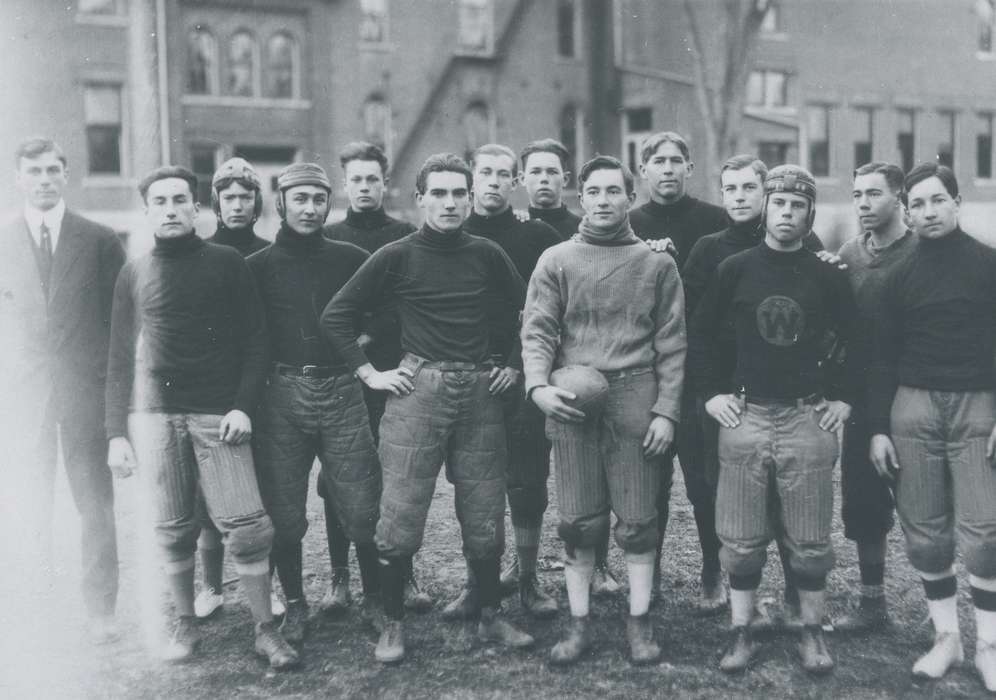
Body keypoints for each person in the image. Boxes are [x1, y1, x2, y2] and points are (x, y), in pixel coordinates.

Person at [322, 153, 533, 664]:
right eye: (438, 193)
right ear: (420, 199)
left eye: (459, 193)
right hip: (418, 390)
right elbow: (337, 316)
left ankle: (488, 615)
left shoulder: (486, 253)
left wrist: (515, 364)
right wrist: (370, 372)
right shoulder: (397, 254)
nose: (450, 202)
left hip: (481, 390)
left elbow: (532, 311)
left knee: (484, 512)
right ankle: (392, 624)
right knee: (400, 514)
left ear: (469, 197)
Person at [105, 166, 297, 669]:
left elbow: (257, 340)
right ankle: (186, 622)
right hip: (155, 420)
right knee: (171, 527)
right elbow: (119, 358)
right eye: (160, 201)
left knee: (248, 527)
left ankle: (265, 630)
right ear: (147, 211)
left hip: (218, 414)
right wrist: (115, 434)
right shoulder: (134, 272)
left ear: (197, 208)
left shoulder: (227, 262)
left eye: (180, 200)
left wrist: (242, 405)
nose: (170, 209)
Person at [690, 165, 858, 675]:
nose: (787, 214)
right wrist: (711, 395)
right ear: (766, 207)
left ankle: (810, 634)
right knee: (740, 543)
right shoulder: (734, 268)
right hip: (747, 416)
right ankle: (742, 632)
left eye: (798, 206)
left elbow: (855, 340)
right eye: (780, 204)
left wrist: (843, 399)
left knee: (809, 543)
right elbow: (700, 339)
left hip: (807, 417)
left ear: (810, 215)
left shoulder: (828, 273)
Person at [522, 155, 686, 666]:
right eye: (592, 191)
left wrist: (666, 410)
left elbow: (673, 344)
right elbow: (537, 330)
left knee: (638, 519)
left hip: (635, 393)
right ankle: (579, 623)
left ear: (630, 197)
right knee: (577, 521)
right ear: (580, 197)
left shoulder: (657, 263)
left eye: (613, 191)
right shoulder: (555, 259)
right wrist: (537, 387)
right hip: (573, 394)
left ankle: (640, 623)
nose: (602, 200)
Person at [244, 162, 383, 648]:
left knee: (362, 506)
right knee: (284, 511)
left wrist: (359, 343)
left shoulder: (350, 257)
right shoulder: (258, 266)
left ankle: (375, 601)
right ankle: (297, 606)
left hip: (343, 390)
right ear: (281, 203)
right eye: (299, 199)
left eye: (318, 199)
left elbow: (381, 312)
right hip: (282, 395)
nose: (309, 208)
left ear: (330, 203)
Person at [869, 162, 996, 691]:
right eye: (917, 204)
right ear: (907, 211)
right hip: (913, 407)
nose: (927, 212)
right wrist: (878, 427)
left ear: (957, 202)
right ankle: (947, 637)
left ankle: (989, 644)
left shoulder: (989, 265)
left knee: (986, 535)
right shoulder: (896, 275)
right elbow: (879, 357)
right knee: (925, 534)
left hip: (977, 406)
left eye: (937, 200)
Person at [682, 154, 824, 622]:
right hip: (723, 389)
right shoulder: (708, 250)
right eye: (731, 188)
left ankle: (791, 590)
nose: (740, 197)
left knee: (785, 493)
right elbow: (695, 324)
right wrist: (709, 390)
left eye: (749, 188)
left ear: (768, 195)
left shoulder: (805, 246)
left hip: (777, 388)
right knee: (714, 485)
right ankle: (714, 570)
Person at [0, 137, 124, 643]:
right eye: (35, 171)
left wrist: (109, 392)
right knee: (30, 503)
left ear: (66, 175)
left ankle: (100, 611)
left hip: (83, 394)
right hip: (23, 398)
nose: (45, 179)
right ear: (18, 178)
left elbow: (120, 325)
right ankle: (36, 608)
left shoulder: (98, 239)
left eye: (53, 169)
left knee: (93, 502)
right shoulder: (4, 240)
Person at [441, 143, 562, 621]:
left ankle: (529, 578)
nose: (493, 181)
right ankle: (477, 582)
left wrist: (518, 364)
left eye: (503, 174)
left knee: (528, 482)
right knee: (471, 483)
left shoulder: (538, 236)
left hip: (524, 373)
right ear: (472, 178)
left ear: (516, 182)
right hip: (467, 377)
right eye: (485, 172)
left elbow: (546, 311)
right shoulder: (451, 232)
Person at [321, 142, 430, 614]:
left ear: (385, 183)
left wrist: (374, 335)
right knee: (335, 477)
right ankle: (340, 576)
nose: (364, 187)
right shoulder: (327, 236)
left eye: (372, 179)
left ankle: (402, 574)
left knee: (394, 475)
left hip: (392, 372)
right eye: (356, 180)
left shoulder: (405, 234)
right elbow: (324, 308)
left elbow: (409, 302)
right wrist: (351, 345)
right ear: (345, 184)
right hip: (341, 373)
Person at [629, 131, 728, 601]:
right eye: (657, 160)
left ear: (690, 167)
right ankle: (651, 577)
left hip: (699, 372)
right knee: (649, 483)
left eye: (676, 160)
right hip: (642, 371)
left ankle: (712, 570)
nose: (667, 169)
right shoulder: (626, 224)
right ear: (643, 168)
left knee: (703, 480)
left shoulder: (715, 220)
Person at [831, 161, 914, 632]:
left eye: (874, 194)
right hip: (863, 396)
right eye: (857, 194)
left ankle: (947, 611)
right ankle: (872, 603)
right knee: (864, 502)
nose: (862, 203)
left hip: (913, 392)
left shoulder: (921, 251)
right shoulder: (848, 253)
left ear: (899, 196)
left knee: (922, 504)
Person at [193, 156, 278, 620]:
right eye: (230, 197)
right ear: (216, 203)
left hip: (261, 385)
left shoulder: (269, 251)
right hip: (212, 384)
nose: (239, 205)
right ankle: (210, 585)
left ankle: (271, 586)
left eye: (247, 196)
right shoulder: (200, 252)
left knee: (262, 488)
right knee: (210, 494)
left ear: (257, 202)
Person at [519, 138, 580, 241]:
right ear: (522, 179)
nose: (544, 179)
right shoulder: (515, 225)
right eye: (536, 172)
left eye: (552, 172)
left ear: (565, 179)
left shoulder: (582, 230)